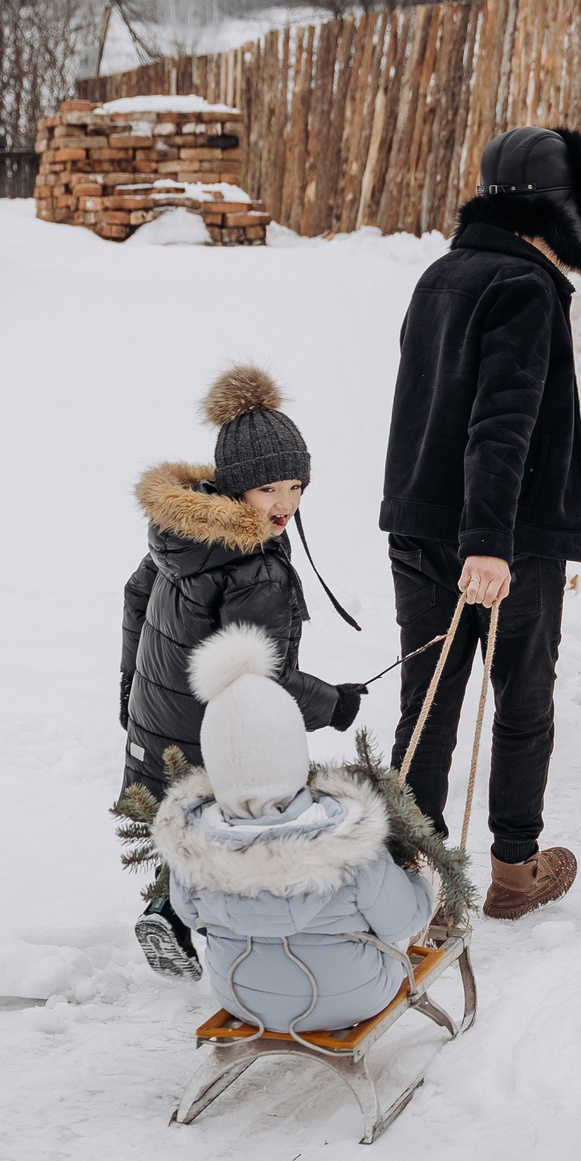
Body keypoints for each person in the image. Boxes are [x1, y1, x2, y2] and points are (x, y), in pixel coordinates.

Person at [378, 124, 581, 920]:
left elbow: (428, 403)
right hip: (505, 536)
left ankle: (412, 875)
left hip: (420, 521)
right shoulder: (527, 287)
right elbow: (501, 423)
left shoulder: (442, 274)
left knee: (428, 699)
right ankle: (513, 870)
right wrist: (488, 543)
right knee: (521, 698)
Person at [122, 365, 364, 980]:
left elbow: (135, 597)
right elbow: (259, 683)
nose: (286, 504)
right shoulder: (252, 567)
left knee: (184, 819)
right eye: (269, 491)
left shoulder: (183, 535)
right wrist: (332, 704)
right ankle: (199, 924)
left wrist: (131, 691)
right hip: (218, 727)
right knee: (231, 829)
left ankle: (165, 907)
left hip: (161, 712)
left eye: (296, 487)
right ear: (236, 490)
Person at [158, 623, 441, 1033]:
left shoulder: (192, 846)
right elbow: (401, 922)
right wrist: (421, 881)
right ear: (293, 753)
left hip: (241, 995)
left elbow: (188, 914)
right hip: (353, 996)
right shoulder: (347, 838)